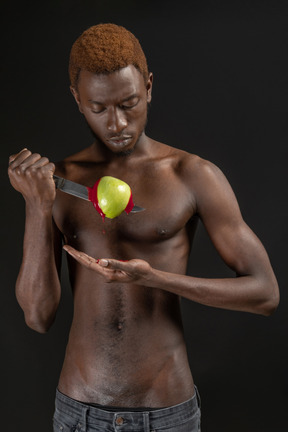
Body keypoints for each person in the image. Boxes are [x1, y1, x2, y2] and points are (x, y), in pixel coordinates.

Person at [8, 23, 279, 432]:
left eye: (129, 103)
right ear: (77, 100)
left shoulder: (193, 175)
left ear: (149, 87)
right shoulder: (59, 182)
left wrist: (158, 279)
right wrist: (36, 205)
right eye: (99, 108)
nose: (117, 122)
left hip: (167, 411)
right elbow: (37, 316)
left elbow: (265, 293)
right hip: (78, 411)